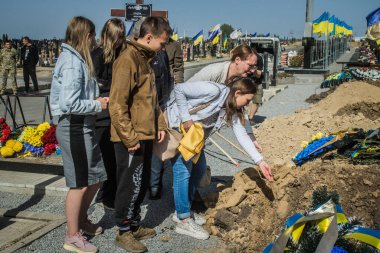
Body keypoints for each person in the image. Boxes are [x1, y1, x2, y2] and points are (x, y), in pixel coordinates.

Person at [166, 78, 273, 240]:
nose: (247, 104)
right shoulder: (213, 90)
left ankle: (183, 209)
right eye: (247, 100)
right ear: (238, 93)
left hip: (196, 136)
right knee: (183, 170)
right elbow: (179, 90)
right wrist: (185, 117)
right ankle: (184, 219)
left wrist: (260, 161)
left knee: (200, 169)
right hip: (179, 127)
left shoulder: (232, 108)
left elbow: (241, 135)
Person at [109, 16, 171, 253]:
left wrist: (161, 125)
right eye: (162, 43)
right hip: (130, 138)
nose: (164, 48)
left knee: (141, 183)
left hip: (144, 133)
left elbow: (151, 100)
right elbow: (117, 104)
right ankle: (123, 232)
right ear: (148, 38)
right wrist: (129, 137)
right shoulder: (128, 60)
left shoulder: (145, 59)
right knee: (129, 185)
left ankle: (134, 224)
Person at [50, 16, 109, 253]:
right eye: (93, 35)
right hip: (73, 125)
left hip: (82, 126)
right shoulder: (73, 62)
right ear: (86, 36)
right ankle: (72, 236)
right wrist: (98, 104)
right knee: (79, 184)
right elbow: (70, 103)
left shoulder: (77, 59)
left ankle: (81, 220)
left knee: (96, 178)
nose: (95, 40)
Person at [188, 43, 263, 152]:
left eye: (254, 67)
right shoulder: (214, 73)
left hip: (199, 131)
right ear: (237, 60)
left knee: (198, 167)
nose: (252, 70)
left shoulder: (237, 81)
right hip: (185, 122)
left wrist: (250, 136)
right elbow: (184, 93)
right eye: (250, 65)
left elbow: (240, 111)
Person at [91, 18, 126, 210]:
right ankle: (106, 195)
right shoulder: (98, 54)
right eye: (118, 36)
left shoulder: (122, 53)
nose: (121, 40)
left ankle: (109, 192)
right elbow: (94, 84)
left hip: (115, 113)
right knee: (108, 159)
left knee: (114, 159)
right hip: (103, 114)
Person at [247, 50, 264, 124]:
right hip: (246, 81)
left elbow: (259, 74)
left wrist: (254, 70)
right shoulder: (245, 57)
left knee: (257, 100)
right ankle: (241, 117)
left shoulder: (259, 58)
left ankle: (250, 118)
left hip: (257, 82)